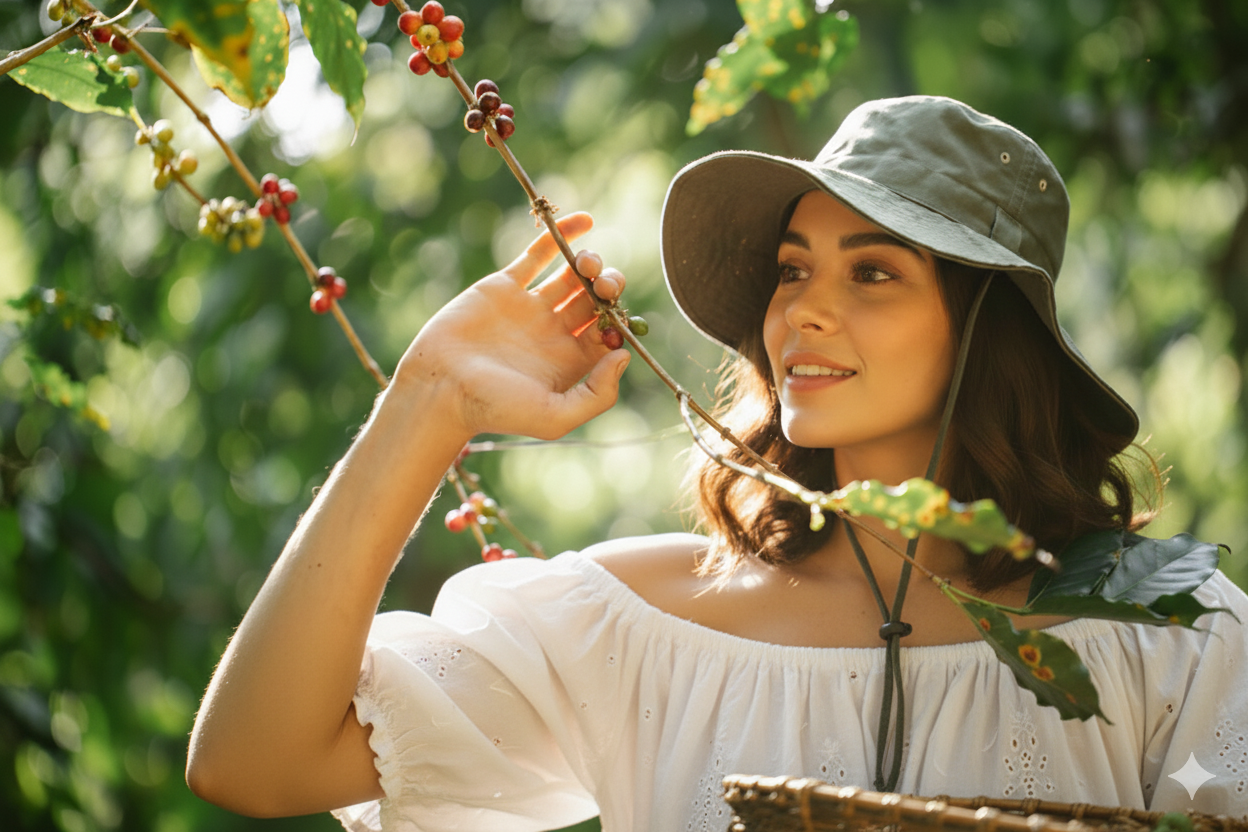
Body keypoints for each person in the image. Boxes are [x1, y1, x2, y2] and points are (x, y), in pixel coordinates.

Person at [185, 96, 1248, 830]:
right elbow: (253, 761)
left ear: (989, 333)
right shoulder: (641, 626)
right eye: (793, 268)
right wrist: (427, 404)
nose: (804, 308)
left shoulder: (1171, 634)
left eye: (872, 270)